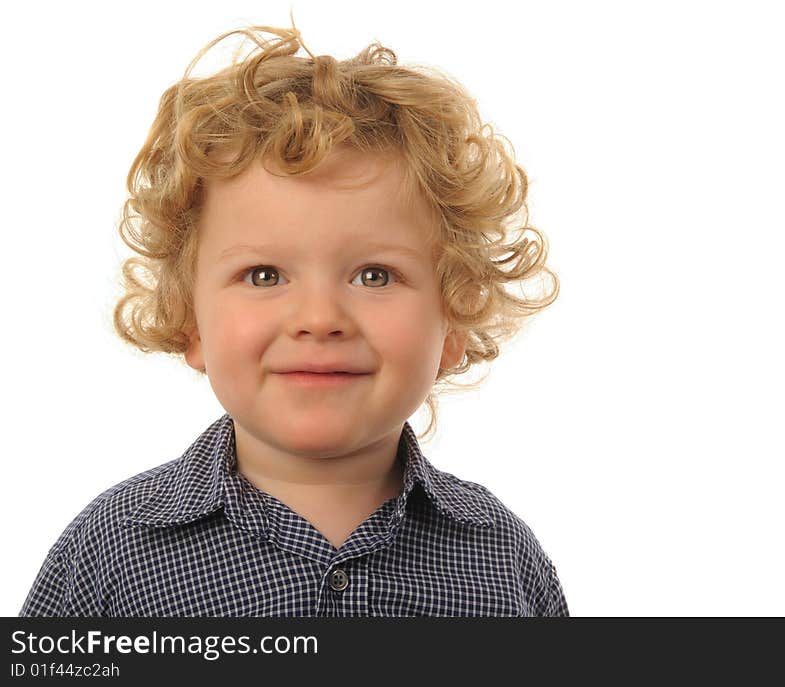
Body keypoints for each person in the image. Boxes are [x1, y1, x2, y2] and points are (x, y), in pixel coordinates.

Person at [20, 13, 566, 617]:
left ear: (455, 320)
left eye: (374, 276)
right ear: (188, 319)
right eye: (264, 276)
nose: (319, 318)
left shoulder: (502, 558)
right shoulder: (111, 552)